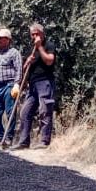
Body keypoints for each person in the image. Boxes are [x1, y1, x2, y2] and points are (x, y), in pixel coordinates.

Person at [14, 22, 57, 150]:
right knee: (25, 112)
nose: (34, 36)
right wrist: (28, 62)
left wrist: (40, 48)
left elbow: (49, 60)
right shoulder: (31, 48)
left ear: (42, 34)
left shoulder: (48, 45)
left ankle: (44, 141)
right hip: (32, 85)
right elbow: (24, 69)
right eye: (32, 35)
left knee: (45, 110)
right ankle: (24, 141)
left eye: (37, 34)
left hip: (45, 82)